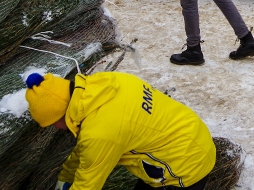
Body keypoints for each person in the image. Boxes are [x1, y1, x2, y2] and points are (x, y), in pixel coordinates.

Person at [24, 70, 216, 189]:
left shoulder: (100, 131)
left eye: (52, 123)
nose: (56, 128)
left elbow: (88, 183)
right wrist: (66, 175)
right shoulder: (103, 84)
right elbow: (86, 151)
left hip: (184, 166)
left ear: (60, 114)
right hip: (190, 131)